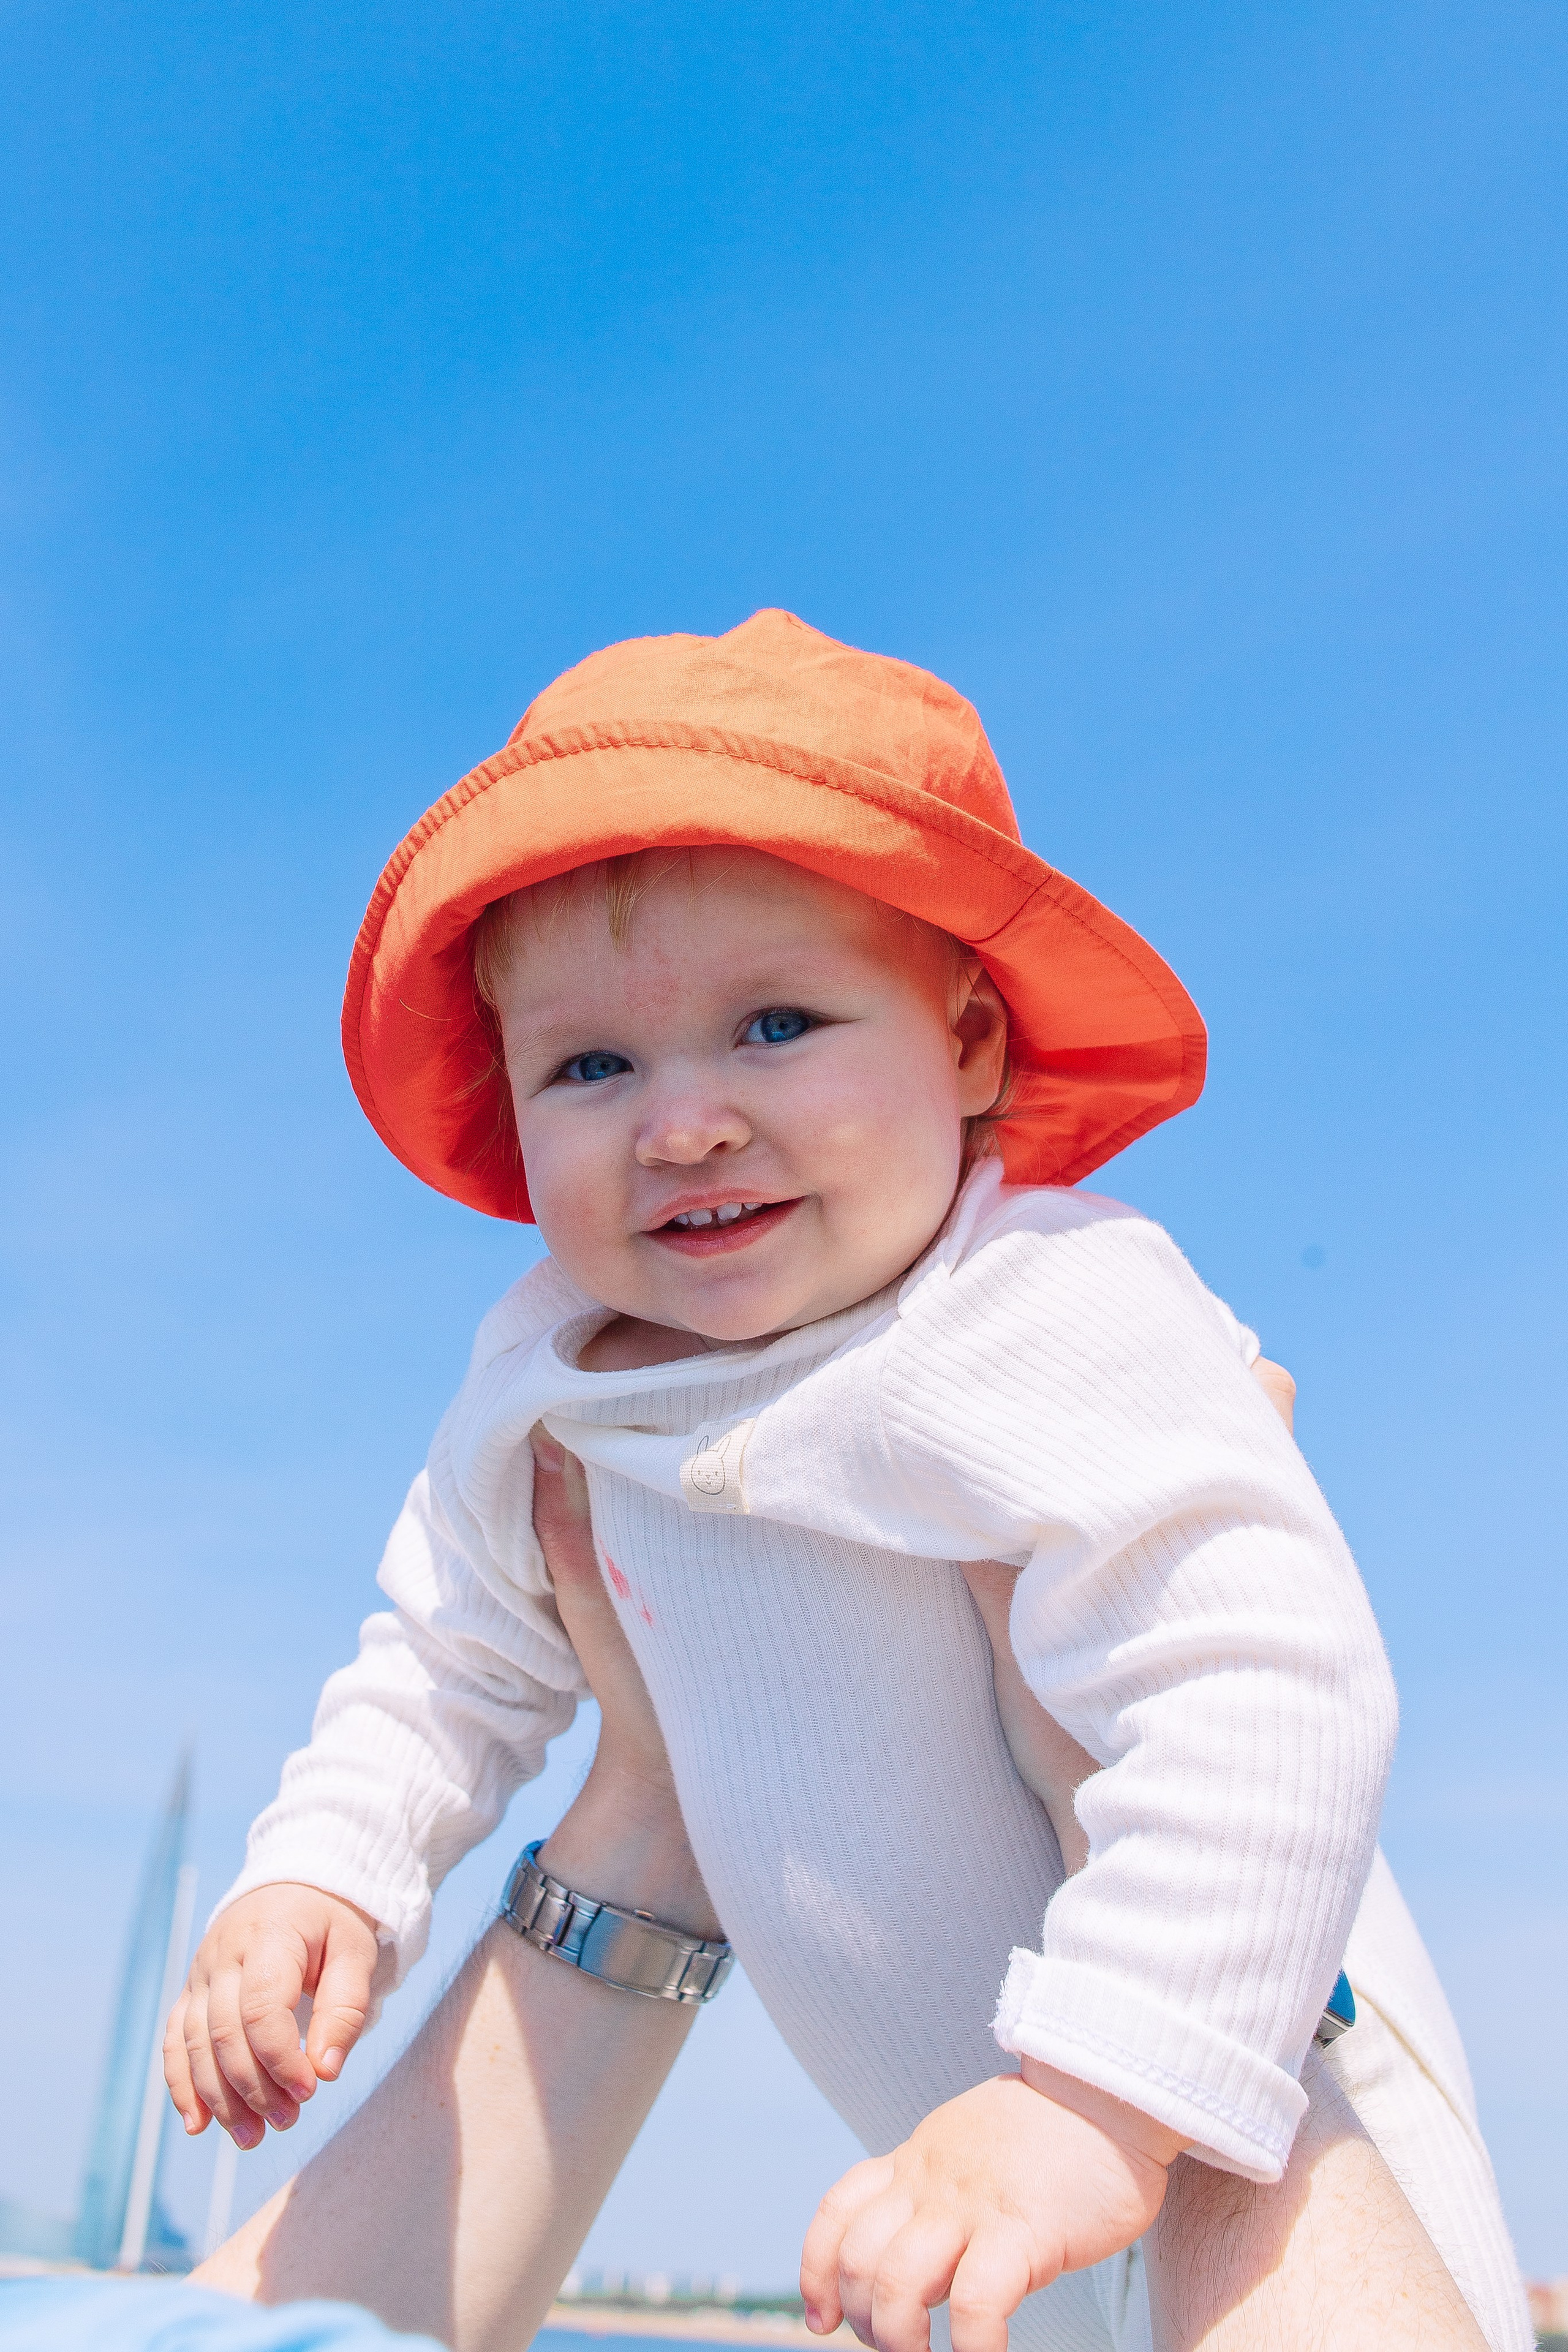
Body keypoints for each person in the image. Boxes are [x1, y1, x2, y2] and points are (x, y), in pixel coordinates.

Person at [165, 613, 1529, 2352]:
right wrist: (324, 1878)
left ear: (968, 1047)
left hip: (1230, 2076)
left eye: (776, 1024)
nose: (683, 1124)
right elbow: (442, 1656)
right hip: (961, 2173)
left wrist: (1103, 2101)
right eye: (591, 1065)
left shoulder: (1041, 1303)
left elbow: (1268, 1692)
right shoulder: (547, 1386)